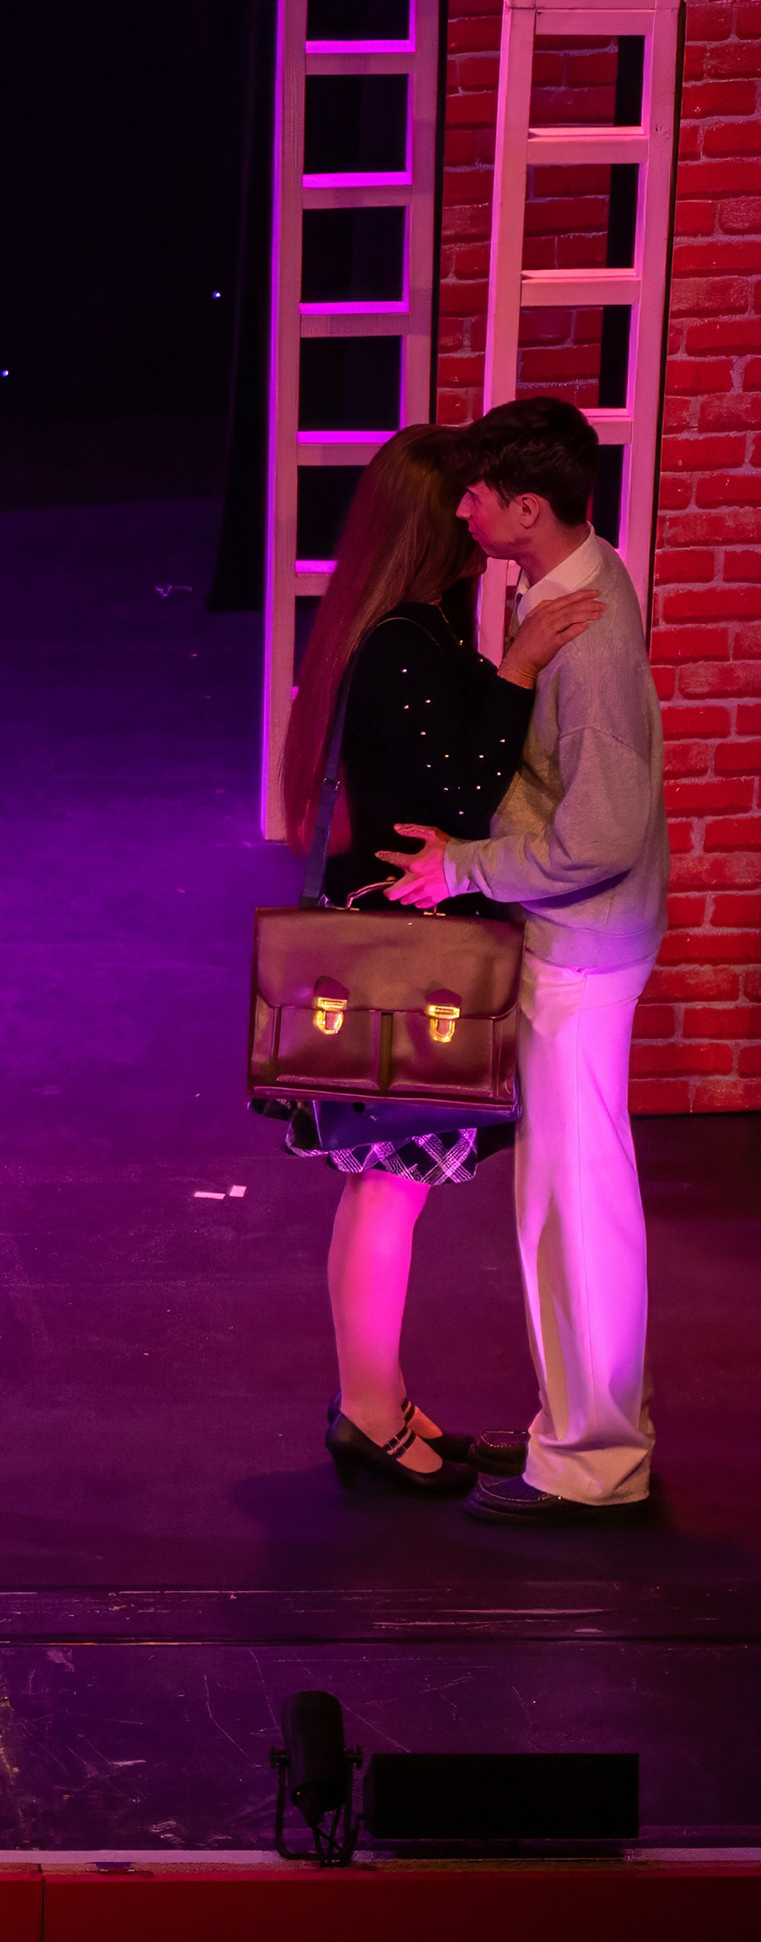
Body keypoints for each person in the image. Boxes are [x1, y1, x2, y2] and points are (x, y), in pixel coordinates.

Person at [266, 421, 600, 1495]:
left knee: (387, 1189)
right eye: (462, 501)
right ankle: (369, 1412)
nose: (476, 515)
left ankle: (380, 1398)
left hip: (405, 951)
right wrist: (521, 668)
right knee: (386, 1189)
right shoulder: (404, 642)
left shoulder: (407, 630)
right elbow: (463, 793)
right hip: (406, 962)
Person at [379, 395, 666, 1524]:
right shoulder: (568, 585)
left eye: (479, 494)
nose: (463, 510)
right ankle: (578, 1426)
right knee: (564, 1199)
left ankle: (594, 1458)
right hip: (579, 944)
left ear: (530, 510)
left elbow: (600, 836)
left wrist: (464, 866)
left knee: (576, 1207)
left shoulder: (584, 637)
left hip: (580, 954)